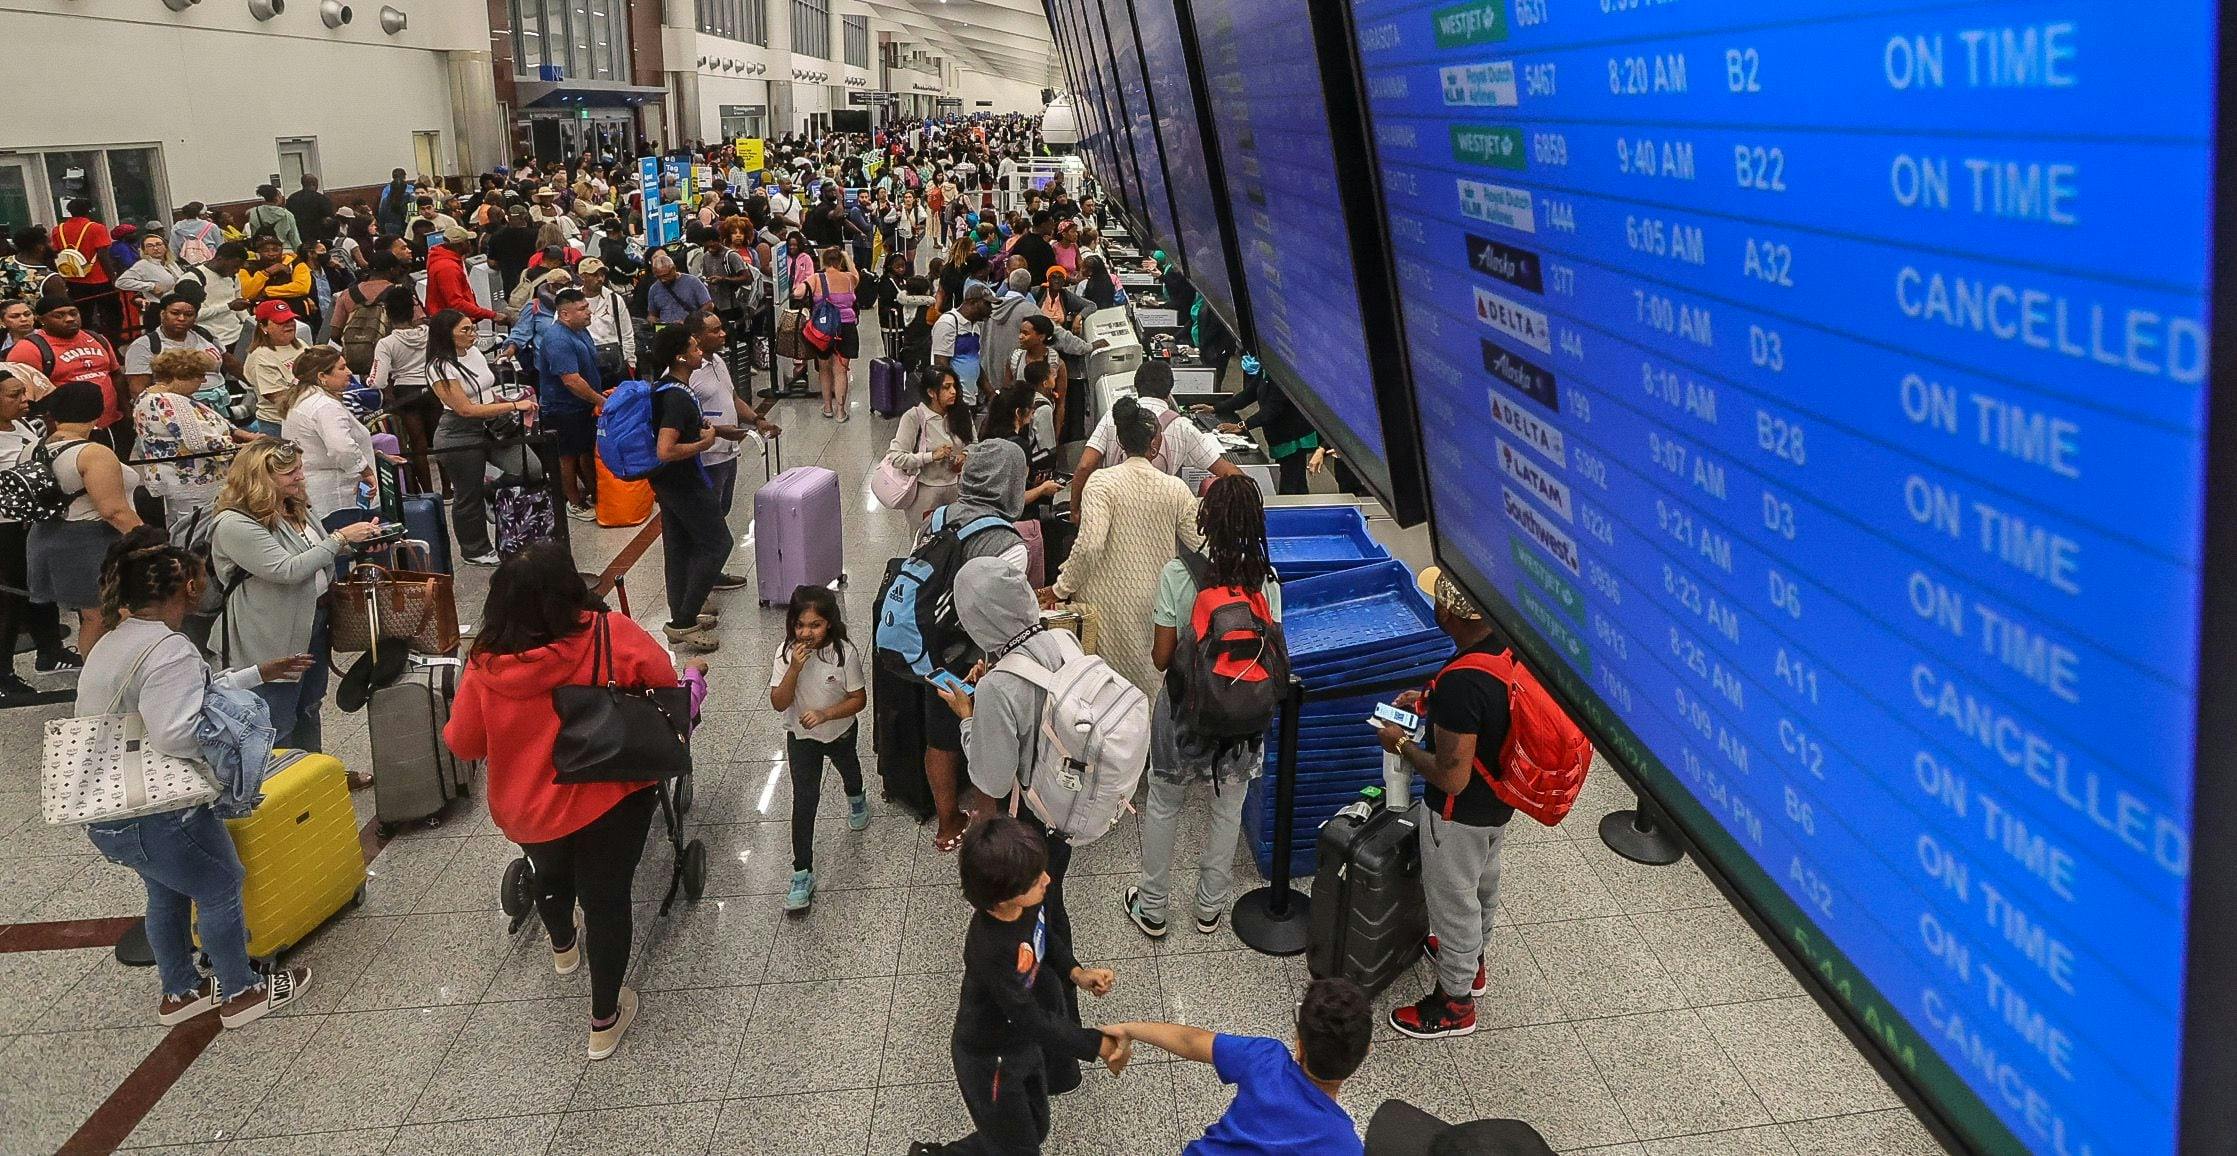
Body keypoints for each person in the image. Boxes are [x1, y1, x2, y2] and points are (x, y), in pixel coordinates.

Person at [444, 542, 682, 1060]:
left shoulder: (484, 665)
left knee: (550, 874)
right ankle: (604, 1020)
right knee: (607, 899)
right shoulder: (607, 634)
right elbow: (664, 681)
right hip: (607, 796)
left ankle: (562, 949)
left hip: (528, 812)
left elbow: (463, 744)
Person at [75, 528, 315, 1029]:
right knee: (220, 884)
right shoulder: (169, 649)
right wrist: (232, 747)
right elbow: (176, 730)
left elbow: (174, 694)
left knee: (166, 892)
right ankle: (241, 993)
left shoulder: (113, 642)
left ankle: (180, 993)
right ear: (184, 587)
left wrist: (257, 674)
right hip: (163, 811)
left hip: (110, 808)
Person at [905, 813, 1127, 1156]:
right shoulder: (989, 948)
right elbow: (1029, 1016)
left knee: (1034, 1129)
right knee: (1019, 1147)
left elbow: (1046, 938)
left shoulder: (1027, 906)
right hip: (989, 1060)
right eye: (1034, 878)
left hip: (1021, 1044)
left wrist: (1076, 973)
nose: (1047, 879)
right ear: (1002, 896)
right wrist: (1096, 1043)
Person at [1125, 476, 1283, 939]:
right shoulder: (1268, 584)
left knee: (1164, 804)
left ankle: (1153, 908)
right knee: (1227, 808)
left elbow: (1160, 656)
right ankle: (1209, 909)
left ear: (1206, 523)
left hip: (1183, 714)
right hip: (1245, 719)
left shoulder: (1179, 574)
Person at [1376, 568, 1515, 1040]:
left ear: (1448, 613)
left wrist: (1400, 746)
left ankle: (1454, 1004)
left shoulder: (1462, 683)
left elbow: (1452, 777)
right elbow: (1484, 711)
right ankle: (1472, 964)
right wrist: (1430, 701)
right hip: (1498, 804)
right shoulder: (1503, 647)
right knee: (1482, 885)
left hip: (1457, 817)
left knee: (1453, 903)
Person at [210, 439, 385, 762]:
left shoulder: (293, 505)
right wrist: (340, 538)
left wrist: (357, 543)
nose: (301, 477)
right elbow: (286, 569)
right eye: (291, 472)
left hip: (312, 621)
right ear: (260, 479)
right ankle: (278, 785)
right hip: (270, 633)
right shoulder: (235, 524)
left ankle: (314, 777)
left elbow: (312, 553)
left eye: (300, 469)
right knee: (277, 715)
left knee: (309, 704)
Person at [1046, 397, 1204, 696]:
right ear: (1154, 445)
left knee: (1102, 696)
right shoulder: (1175, 489)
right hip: (1155, 605)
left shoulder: (1101, 483)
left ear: (1119, 441)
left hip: (1102, 608)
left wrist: (1061, 588)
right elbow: (1199, 545)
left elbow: (1090, 545)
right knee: (1146, 692)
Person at [1108, 978, 1372, 1156]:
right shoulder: (1345, 1145)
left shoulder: (1265, 1058)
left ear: (1299, 1046)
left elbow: (1190, 1041)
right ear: (1366, 1053)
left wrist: (1128, 1029)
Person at [769, 583, 869, 913]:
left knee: (849, 770)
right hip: (801, 738)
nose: (806, 632)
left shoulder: (845, 653)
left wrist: (827, 714)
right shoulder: (786, 655)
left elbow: (859, 700)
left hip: (840, 731)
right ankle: (802, 871)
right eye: (800, 625)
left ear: (829, 623)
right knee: (805, 800)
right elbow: (778, 702)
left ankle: (857, 797)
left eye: (815, 624)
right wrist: (795, 669)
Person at [30, 381, 143, 655]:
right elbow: (113, 511)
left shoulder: (34, 448)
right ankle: (102, 679)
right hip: (90, 541)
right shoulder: (92, 453)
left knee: (95, 617)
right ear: (98, 409)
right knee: (107, 617)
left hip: (46, 537)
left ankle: (97, 677)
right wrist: (150, 540)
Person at [639, 324, 730, 653]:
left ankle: (681, 616)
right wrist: (704, 442)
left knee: (677, 548)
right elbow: (666, 449)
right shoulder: (677, 397)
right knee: (718, 543)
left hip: (666, 482)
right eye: (693, 347)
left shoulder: (665, 387)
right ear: (680, 356)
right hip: (683, 482)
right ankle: (685, 619)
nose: (699, 351)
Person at [428, 308, 533, 566]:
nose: (472, 334)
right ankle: (474, 549)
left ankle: (490, 491)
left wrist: (504, 402)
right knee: (467, 493)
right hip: (459, 432)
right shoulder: (439, 367)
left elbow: (484, 388)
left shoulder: (473, 353)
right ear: (447, 335)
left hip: (492, 423)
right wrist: (512, 406)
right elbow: (465, 409)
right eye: (465, 330)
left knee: (531, 469)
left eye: (472, 328)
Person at [1073, 361, 1240, 515]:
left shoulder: (1113, 417)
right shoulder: (1183, 427)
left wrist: (1075, 509)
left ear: (1136, 386)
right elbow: (1227, 471)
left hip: (1114, 511)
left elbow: (1085, 466)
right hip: (1159, 515)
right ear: (1169, 392)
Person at [0, 372, 75, 692]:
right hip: (5, 528)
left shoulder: (21, 425)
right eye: (14, 395)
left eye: (24, 393)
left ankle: (50, 650)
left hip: (34, 519)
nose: (25, 401)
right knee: (10, 599)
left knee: (41, 586)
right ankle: (3, 674)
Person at [133, 348, 247, 536]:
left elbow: (210, 420)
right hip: (194, 485)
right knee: (196, 532)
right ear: (180, 376)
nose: (203, 381)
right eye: (199, 376)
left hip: (173, 483)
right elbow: (202, 443)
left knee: (179, 527)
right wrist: (244, 449)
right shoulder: (171, 402)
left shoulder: (148, 396)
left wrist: (241, 434)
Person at [686, 310, 780, 521]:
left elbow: (733, 397)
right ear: (696, 337)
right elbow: (682, 421)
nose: (723, 334)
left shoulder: (718, 360)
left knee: (722, 510)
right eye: (715, 331)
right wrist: (718, 432)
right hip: (707, 458)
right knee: (707, 518)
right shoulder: (687, 373)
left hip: (728, 453)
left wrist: (758, 420)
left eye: (722, 328)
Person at [529, 288, 607, 520]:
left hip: (582, 406)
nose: (588, 312)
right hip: (562, 409)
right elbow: (572, 381)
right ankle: (573, 502)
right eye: (582, 309)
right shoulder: (557, 339)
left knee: (584, 450)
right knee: (567, 457)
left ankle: (593, 491)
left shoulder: (580, 330)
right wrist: (601, 400)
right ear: (564, 314)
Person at [278, 347, 376, 527]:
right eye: (342, 368)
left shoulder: (300, 399)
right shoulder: (325, 406)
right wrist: (365, 470)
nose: (349, 372)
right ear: (322, 376)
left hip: (315, 493)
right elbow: (342, 448)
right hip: (338, 498)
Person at [8, 296, 124, 437]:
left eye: (73, 313)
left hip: (113, 424)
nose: (69, 319)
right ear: (41, 319)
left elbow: (116, 374)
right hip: (67, 432)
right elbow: (19, 396)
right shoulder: (28, 349)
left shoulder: (96, 338)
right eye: (59, 315)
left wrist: (127, 413)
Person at [1200, 358, 1319, 494]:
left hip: (1293, 436)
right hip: (1280, 435)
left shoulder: (1283, 373)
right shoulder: (1267, 369)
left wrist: (1243, 425)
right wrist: (1215, 408)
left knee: (1290, 482)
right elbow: (1248, 394)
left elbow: (1272, 409)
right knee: (1295, 480)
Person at [367, 287, 444, 495]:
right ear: (412, 311)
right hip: (433, 388)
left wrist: (369, 380)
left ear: (388, 313)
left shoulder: (386, 343)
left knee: (417, 444)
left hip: (406, 395)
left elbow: (378, 380)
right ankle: (448, 489)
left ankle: (428, 491)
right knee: (440, 441)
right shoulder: (430, 333)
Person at [886, 367, 974, 524]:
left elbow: (975, 445)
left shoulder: (962, 414)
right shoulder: (914, 417)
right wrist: (931, 456)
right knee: (923, 542)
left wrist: (965, 455)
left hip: (958, 490)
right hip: (925, 491)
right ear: (931, 392)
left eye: (954, 386)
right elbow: (896, 457)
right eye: (946, 388)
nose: (953, 391)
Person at [122, 293, 233, 406]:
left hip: (220, 402)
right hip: (176, 408)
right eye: (175, 313)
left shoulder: (204, 333)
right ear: (162, 314)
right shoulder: (144, 345)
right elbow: (138, 391)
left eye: (189, 314)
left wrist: (249, 381)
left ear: (195, 317)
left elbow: (229, 361)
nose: (181, 318)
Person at [51, 200, 122, 340]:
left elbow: (55, 254)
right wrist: (113, 278)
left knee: (82, 315)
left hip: (73, 279)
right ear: (88, 211)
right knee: (111, 314)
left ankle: (83, 341)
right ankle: (112, 344)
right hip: (99, 278)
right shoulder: (96, 228)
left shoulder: (57, 229)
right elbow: (103, 255)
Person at [242, 301, 307, 436]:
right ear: (263, 327)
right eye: (281, 321)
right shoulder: (261, 357)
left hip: (304, 419)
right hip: (278, 426)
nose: (289, 324)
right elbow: (279, 399)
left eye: (290, 319)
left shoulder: (300, 344)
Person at [577, 257, 637, 390]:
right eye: (594, 275)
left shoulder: (615, 299)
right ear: (582, 277)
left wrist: (631, 363)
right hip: (586, 360)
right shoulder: (571, 300)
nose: (600, 279)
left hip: (615, 361)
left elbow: (627, 333)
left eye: (602, 274)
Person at [238, 235, 314, 335]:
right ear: (258, 253)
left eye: (275, 250)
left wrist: (267, 291)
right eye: (266, 251)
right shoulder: (247, 268)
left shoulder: (296, 263)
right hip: (265, 322)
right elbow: (246, 293)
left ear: (282, 250)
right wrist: (266, 272)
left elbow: (302, 287)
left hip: (296, 317)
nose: (271, 254)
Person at [182, 242, 250, 354]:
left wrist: (252, 325)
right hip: (211, 342)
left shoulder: (233, 276)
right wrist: (228, 306)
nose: (237, 271)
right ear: (219, 259)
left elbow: (239, 304)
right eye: (235, 266)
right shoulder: (192, 279)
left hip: (239, 337)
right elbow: (192, 316)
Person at [931, 282, 993, 404]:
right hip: (954, 401)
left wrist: (990, 392)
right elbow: (941, 365)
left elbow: (974, 363)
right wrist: (956, 397)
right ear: (972, 302)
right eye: (987, 304)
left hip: (970, 399)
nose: (990, 309)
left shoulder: (975, 327)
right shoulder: (948, 323)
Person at [424, 229, 498, 324]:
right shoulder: (448, 268)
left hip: (448, 320)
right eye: (467, 241)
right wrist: (491, 315)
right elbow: (456, 303)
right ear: (459, 245)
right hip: (449, 324)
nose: (470, 244)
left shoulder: (442, 258)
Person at [115, 231, 185, 324]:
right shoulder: (143, 264)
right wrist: (151, 286)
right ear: (144, 250)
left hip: (178, 308)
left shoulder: (171, 263)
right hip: (158, 311)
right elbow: (120, 282)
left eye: (158, 244)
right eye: (150, 246)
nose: (155, 248)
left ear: (165, 247)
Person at [645, 250, 712, 329]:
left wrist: (691, 321)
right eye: (659, 277)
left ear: (674, 269)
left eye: (666, 275)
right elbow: (651, 314)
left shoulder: (692, 281)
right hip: (667, 331)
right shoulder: (654, 289)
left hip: (689, 329)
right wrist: (652, 320)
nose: (663, 280)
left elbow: (708, 305)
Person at [244, 185, 302, 252]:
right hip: (284, 250)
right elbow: (294, 238)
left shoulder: (254, 212)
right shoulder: (287, 214)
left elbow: (254, 235)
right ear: (277, 197)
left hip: (263, 251)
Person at [286, 174, 335, 244]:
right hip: (317, 237)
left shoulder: (291, 198)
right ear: (314, 184)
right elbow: (329, 219)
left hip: (298, 235)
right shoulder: (322, 199)